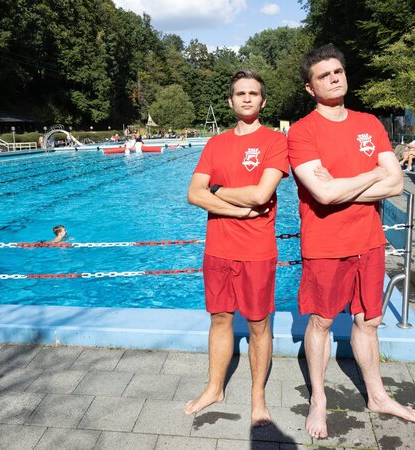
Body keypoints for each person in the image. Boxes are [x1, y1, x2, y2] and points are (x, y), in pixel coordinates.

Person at [287, 44, 415, 439]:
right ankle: (318, 399)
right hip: (326, 244)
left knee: (369, 321)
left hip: (369, 240)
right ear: (311, 89)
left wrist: (344, 183)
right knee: (323, 320)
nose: (333, 77)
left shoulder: (369, 124)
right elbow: (324, 195)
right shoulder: (302, 132)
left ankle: (377, 395)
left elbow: (396, 183)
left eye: (337, 71)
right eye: (323, 75)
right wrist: (371, 177)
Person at [186, 69, 288, 428]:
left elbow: (262, 194)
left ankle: (258, 397)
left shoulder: (275, 141)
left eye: (253, 93)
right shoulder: (215, 144)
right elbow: (192, 194)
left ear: (263, 100)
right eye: (240, 93)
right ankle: (215, 387)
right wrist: (238, 207)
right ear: (230, 101)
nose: (246, 98)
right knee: (219, 319)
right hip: (218, 249)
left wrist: (216, 192)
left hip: (257, 250)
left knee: (259, 324)